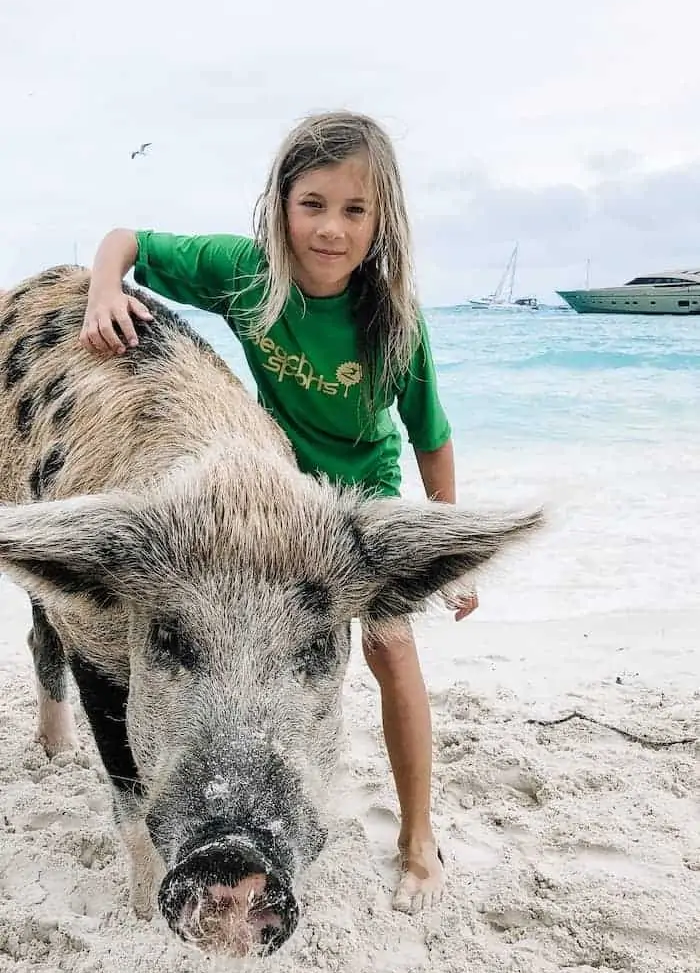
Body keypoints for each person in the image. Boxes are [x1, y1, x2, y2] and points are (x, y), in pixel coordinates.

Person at [79, 110, 478, 914]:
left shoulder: (392, 319)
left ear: (381, 221)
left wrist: (448, 543)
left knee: (392, 651)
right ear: (281, 204)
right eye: (313, 203)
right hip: (268, 497)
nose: (330, 229)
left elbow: (430, 436)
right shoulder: (246, 273)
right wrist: (99, 294)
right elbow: (126, 240)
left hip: (354, 509)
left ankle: (418, 838)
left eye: (354, 210)